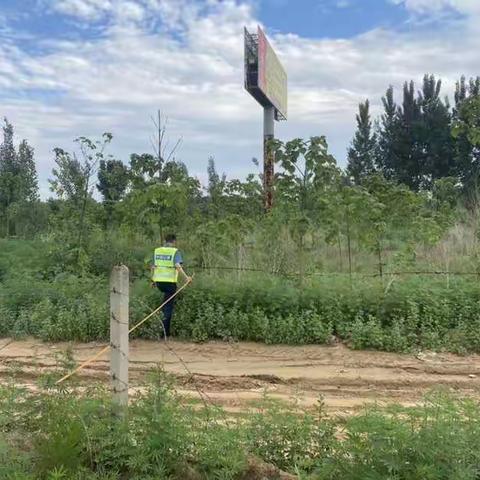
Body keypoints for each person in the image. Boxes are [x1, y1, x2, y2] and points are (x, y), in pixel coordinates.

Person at [151, 233, 191, 338]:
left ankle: (161, 328)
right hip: (169, 283)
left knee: (165, 304)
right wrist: (187, 278)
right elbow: (177, 266)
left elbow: (153, 267)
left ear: (165, 240)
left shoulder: (157, 251)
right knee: (168, 308)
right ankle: (165, 334)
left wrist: (153, 280)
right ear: (174, 241)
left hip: (159, 282)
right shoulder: (175, 252)